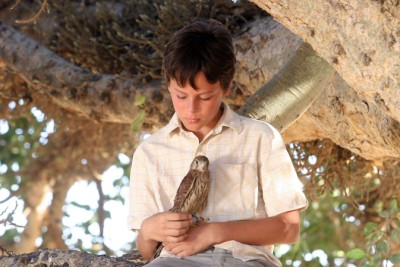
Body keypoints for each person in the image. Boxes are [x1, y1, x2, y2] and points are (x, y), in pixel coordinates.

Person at [128, 19, 308, 267]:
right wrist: (148, 231)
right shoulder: (149, 153)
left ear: (226, 87)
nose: (190, 109)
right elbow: (149, 253)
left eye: (204, 97)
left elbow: (289, 229)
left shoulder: (260, 138)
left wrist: (213, 232)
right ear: (168, 85)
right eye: (180, 96)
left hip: (245, 261)